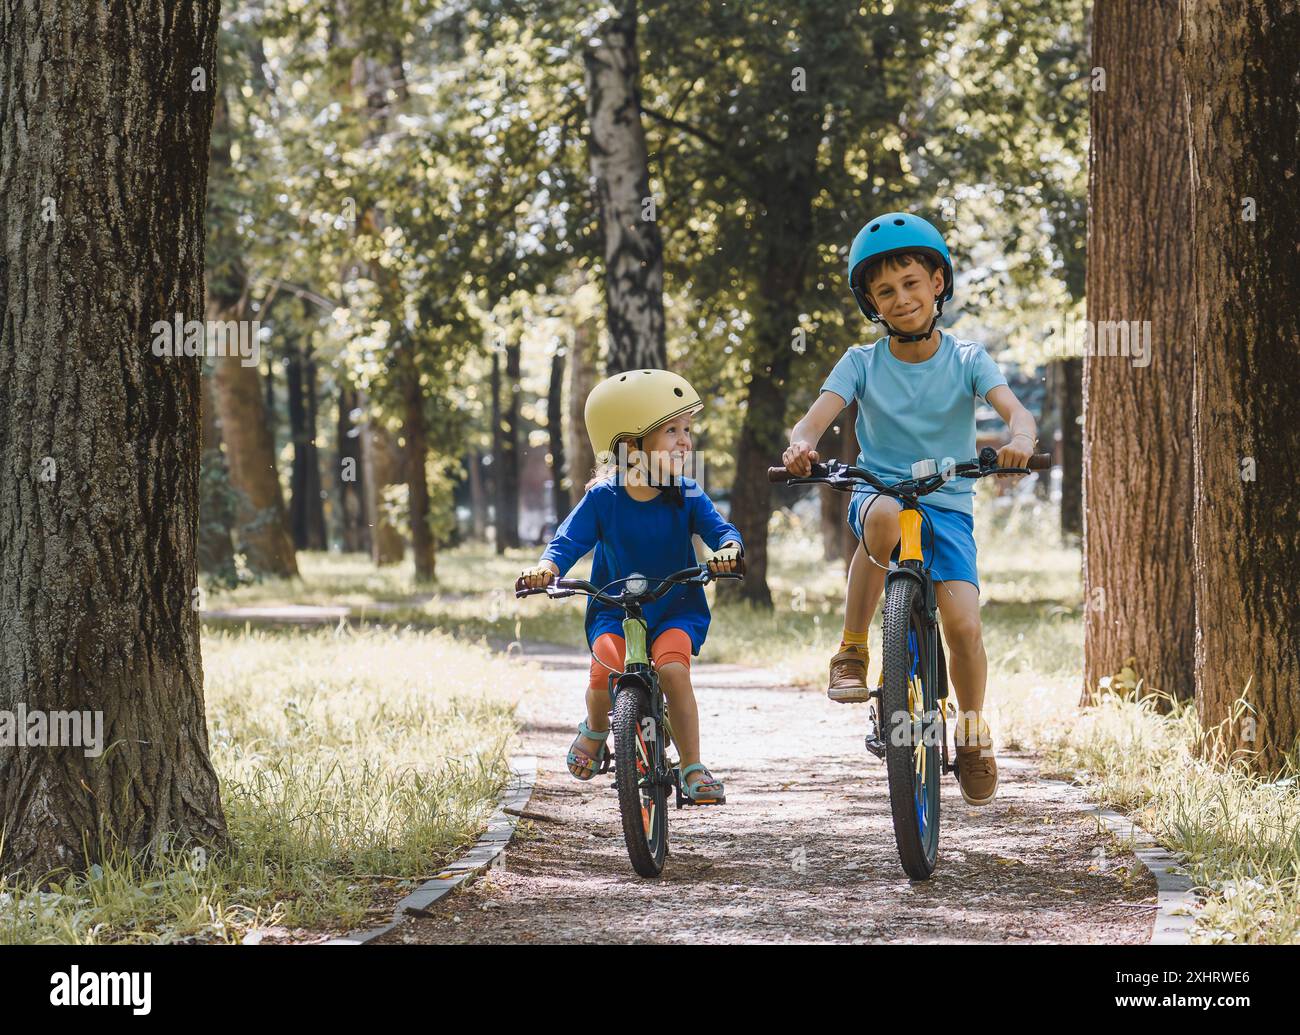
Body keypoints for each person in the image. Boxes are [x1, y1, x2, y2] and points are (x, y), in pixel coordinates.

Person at [782, 212, 1038, 806]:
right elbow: (812, 421)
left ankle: (972, 733)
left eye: (912, 283)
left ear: (938, 283)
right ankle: (852, 649)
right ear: (872, 304)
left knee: (965, 627)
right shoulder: (861, 363)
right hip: (879, 489)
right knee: (880, 519)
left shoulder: (969, 359)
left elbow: (1016, 414)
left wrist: (1019, 442)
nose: (902, 299)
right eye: (886, 292)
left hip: (947, 506)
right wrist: (803, 447)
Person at [518, 369, 743, 804]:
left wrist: (729, 548)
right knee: (605, 666)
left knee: (674, 671)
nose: (685, 442)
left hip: (675, 606)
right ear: (629, 446)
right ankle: (597, 728)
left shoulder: (687, 493)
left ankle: (693, 766)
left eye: (687, 431)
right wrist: (546, 567)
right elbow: (567, 542)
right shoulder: (604, 497)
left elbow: (720, 531)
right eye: (671, 431)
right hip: (613, 607)